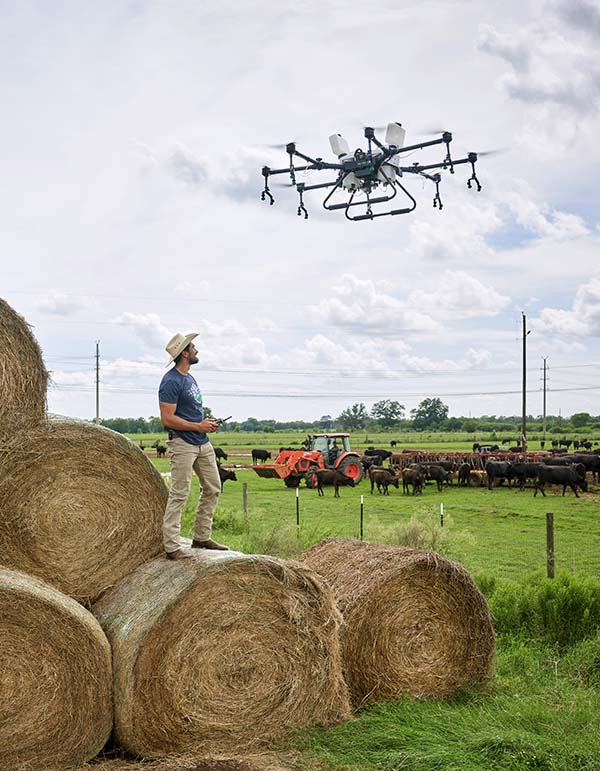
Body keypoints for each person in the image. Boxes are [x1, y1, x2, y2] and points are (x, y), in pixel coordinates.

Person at [158, 331, 228, 560]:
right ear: (184, 353)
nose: (197, 350)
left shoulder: (189, 378)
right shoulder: (170, 381)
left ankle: (201, 536)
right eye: (193, 347)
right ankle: (172, 546)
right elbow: (167, 418)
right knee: (180, 493)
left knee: (213, 486)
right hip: (182, 443)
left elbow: (192, 412)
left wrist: (207, 425)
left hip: (202, 442)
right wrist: (197, 426)